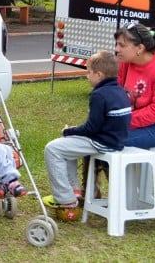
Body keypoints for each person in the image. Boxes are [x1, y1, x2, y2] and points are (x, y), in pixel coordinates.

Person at [43, 50, 131, 214]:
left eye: (89, 72)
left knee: (52, 148)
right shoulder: (119, 90)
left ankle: (65, 198)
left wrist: (68, 131)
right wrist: (73, 133)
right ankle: (74, 190)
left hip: (102, 142)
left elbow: (91, 129)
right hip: (116, 140)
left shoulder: (99, 95)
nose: (86, 76)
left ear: (99, 74)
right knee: (66, 145)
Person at [114, 21, 155, 148]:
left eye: (122, 45)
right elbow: (114, 93)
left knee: (108, 139)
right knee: (92, 135)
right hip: (130, 120)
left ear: (140, 48)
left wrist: (121, 119)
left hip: (153, 125)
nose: (116, 49)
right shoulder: (125, 62)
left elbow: (154, 112)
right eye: (117, 44)